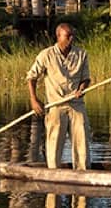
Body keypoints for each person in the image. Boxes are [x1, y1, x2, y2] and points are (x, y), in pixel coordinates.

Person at [26, 23, 91, 169]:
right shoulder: (46, 55)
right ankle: (53, 172)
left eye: (72, 35)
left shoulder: (81, 54)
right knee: (54, 143)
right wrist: (33, 99)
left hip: (76, 104)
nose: (71, 38)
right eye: (68, 36)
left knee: (82, 143)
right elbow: (31, 77)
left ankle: (82, 172)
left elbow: (86, 78)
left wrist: (82, 88)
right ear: (59, 37)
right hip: (55, 105)